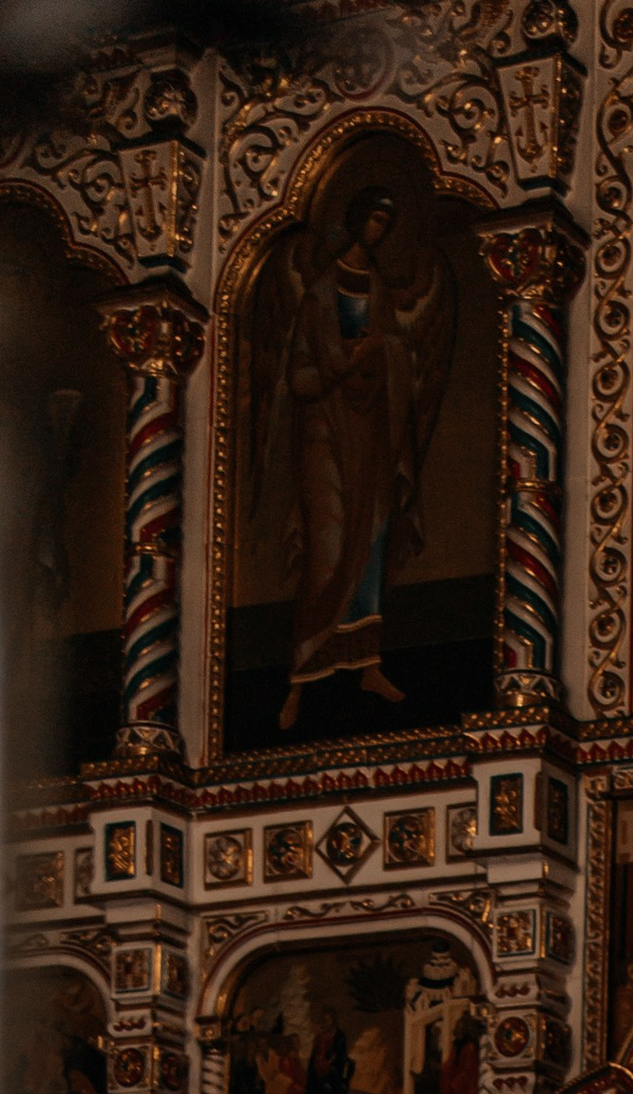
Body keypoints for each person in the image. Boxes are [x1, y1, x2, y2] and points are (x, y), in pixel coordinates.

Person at [260, 183, 455, 730]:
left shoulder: (378, 291)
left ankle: (367, 663)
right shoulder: (319, 296)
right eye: (371, 221)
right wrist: (345, 362)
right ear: (353, 222)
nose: (376, 232)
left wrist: (379, 351)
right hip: (324, 437)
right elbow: (300, 376)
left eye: (383, 226)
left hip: (371, 433)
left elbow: (398, 352)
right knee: (326, 547)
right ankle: (300, 676)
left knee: (369, 542)